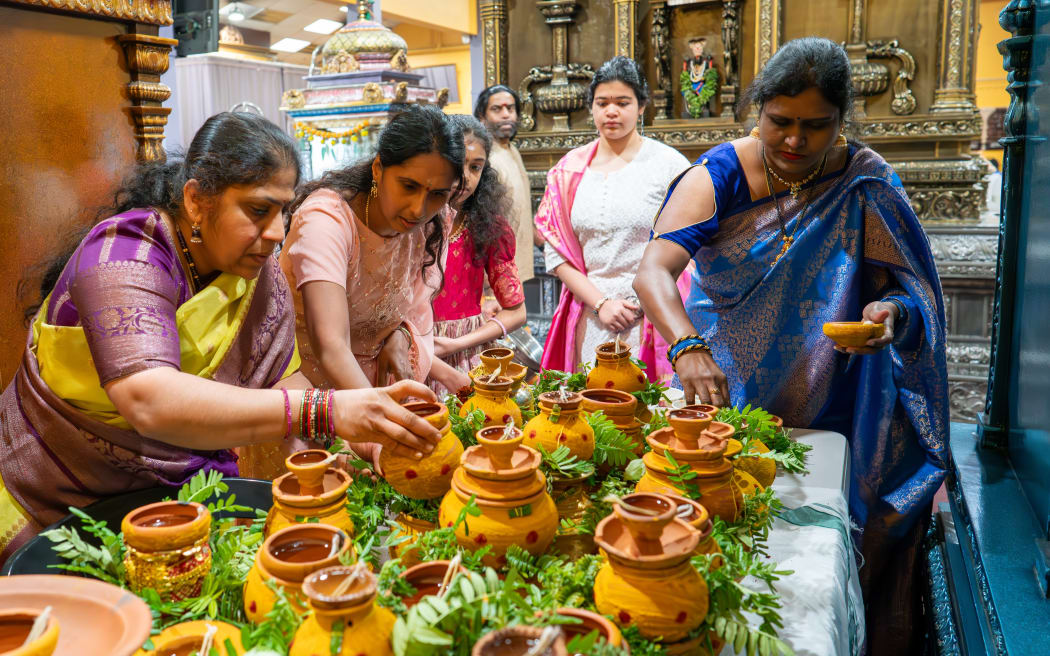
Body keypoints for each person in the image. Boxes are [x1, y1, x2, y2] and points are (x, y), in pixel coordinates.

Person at [0, 112, 441, 564]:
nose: (276, 233)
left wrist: (371, 437)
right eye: (257, 210)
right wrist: (328, 409)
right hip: (53, 498)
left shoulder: (254, 270)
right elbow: (148, 397)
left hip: (177, 498)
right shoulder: (123, 255)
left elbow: (283, 380)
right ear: (196, 200)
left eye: (284, 211)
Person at [632, 38, 948, 655]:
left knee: (812, 548)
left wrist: (890, 316)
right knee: (719, 526)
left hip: (836, 395)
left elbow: (916, 298)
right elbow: (651, 274)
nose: (796, 142)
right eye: (781, 122)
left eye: (816, 126)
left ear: (842, 121)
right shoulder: (716, 176)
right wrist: (687, 347)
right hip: (723, 385)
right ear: (757, 110)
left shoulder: (864, 182)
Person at [280, 104, 467, 401]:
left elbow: (417, 315)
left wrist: (401, 335)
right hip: (309, 398)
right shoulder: (327, 219)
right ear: (378, 169)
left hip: (377, 388)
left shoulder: (430, 226)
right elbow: (330, 345)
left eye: (437, 194)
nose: (419, 209)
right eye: (408, 186)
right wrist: (380, 419)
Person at [535, 55, 691, 380]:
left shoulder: (668, 165)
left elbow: (691, 246)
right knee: (595, 413)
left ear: (642, 106)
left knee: (652, 413)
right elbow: (557, 253)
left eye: (623, 102)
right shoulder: (569, 170)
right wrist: (601, 303)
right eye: (602, 102)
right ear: (591, 107)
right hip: (591, 312)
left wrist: (648, 297)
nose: (611, 111)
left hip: (654, 311)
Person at [430, 115, 526, 394]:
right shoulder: (412, 226)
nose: (466, 177)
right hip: (413, 348)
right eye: (457, 165)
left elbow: (516, 312)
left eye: (476, 167)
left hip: (469, 355)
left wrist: (457, 343)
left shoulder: (490, 228)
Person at [475, 84, 539, 285]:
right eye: (497, 109)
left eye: (510, 109)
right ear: (481, 117)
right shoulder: (483, 159)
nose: (506, 115)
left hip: (515, 267)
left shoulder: (512, 151)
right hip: (493, 273)